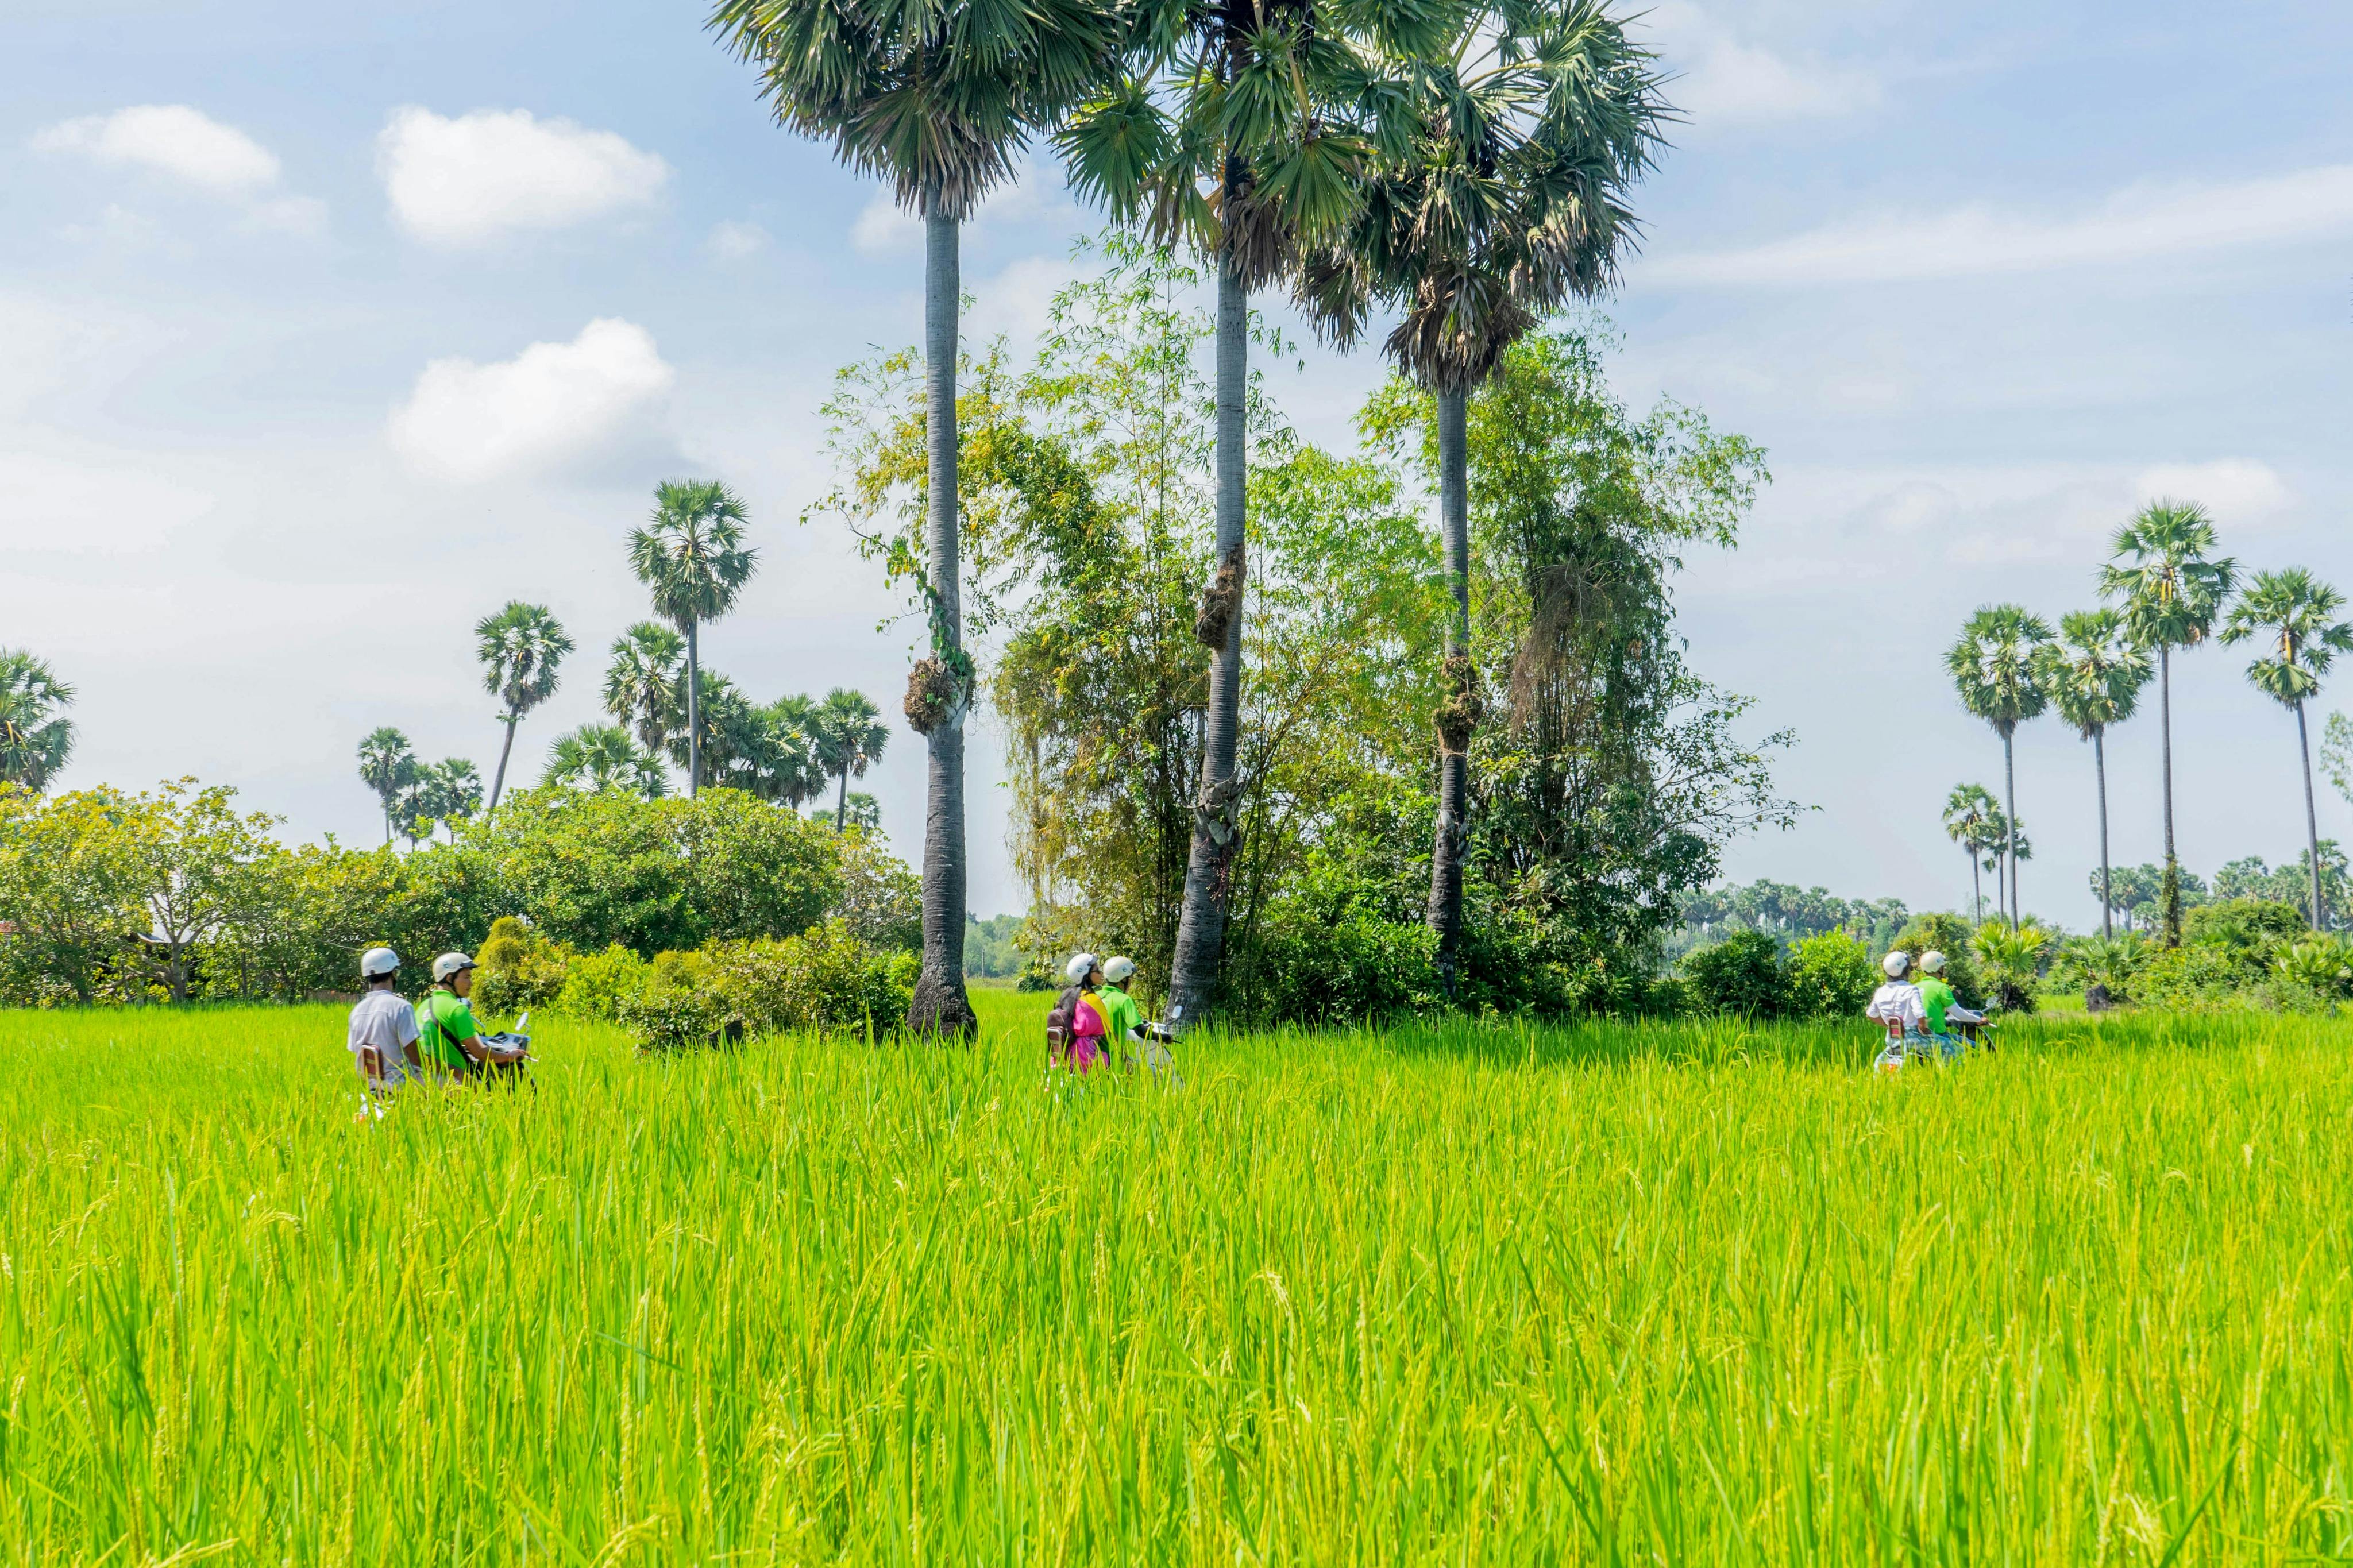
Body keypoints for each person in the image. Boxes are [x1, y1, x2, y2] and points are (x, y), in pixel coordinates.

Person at [416, 952, 527, 1083]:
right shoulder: (457, 1008)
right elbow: (480, 1053)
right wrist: (509, 1057)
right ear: (450, 978)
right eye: (467, 977)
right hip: (451, 1080)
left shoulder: (423, 1006)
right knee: (490, 1096)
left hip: (424, 1077)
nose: (471, 983)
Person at [349, 946, 421, 1094]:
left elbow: (357, 1053)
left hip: (371, 1089)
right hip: (402, 1086)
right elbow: (416, 1059)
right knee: (454, 1085)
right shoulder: (402, 1007)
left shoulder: (356, 1011)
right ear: (393, 973)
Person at [1865, 951, 1927, 1070]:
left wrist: (1889, 1025)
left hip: (1892, 1040)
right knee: (1950, 1048)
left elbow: (1871, 1014)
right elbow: (1920, 1014)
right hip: (1913, 1039)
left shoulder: (1881, 991)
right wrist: (1924, 1029)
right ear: (1905, 970)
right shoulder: (1911, 990)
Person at [1916, 951, 1988, 1053]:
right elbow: (1959, 1014)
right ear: (1940, 969)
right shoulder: (1941, 988)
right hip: (1939, 1036)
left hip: (1918, 1035)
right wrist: (1978, 1020)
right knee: (1978, 1048)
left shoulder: (1915, 987)